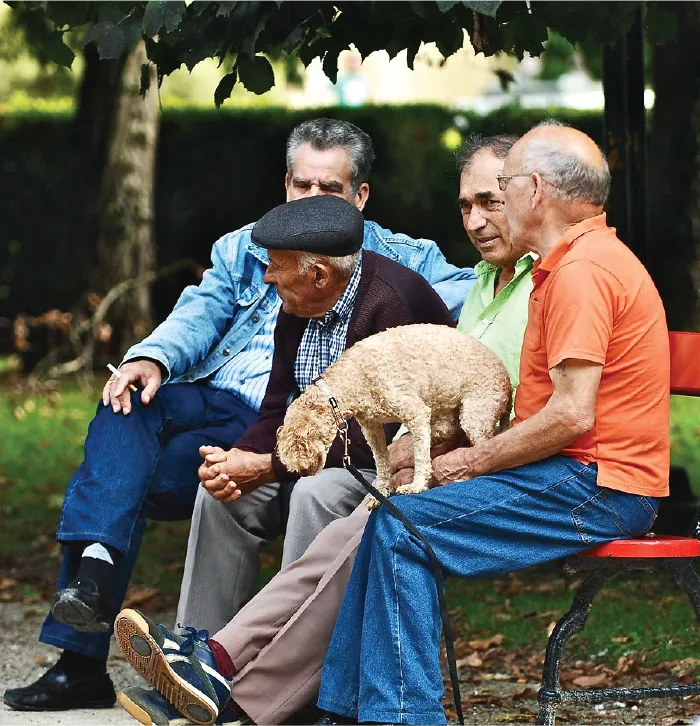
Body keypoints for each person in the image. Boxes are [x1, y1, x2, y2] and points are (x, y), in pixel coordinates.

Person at [3, 118, 475, 714]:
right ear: (284, 184)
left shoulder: (396, 269)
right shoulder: (253, 252)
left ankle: (263, 680)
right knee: (126, 409)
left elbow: (469, 302)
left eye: (328, 190)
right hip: (230, 407)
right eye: (301, 186)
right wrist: (151, 357)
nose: (310, 201)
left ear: (360, 198)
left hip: (324, 436)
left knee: (255, 492)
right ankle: (122, 635)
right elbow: (199, 316)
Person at [112, 133, 536, 726]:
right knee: (224, 499)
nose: (268, 283)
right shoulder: (300, 305)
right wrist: (241, 460)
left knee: (315, 493)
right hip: (365, 456)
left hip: (394, 460)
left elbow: (375, 433)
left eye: (279, 273)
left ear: (317, 273)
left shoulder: (388, 303)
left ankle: (278, 688)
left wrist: (276, 464)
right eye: (466, 204)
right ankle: (192, 664)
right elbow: (281, 407)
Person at [312, 121, 670, 724]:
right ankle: (351, 712)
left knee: (405, 528)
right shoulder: (572, 261)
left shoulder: (584, 273)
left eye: (504, 185)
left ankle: (399, 717)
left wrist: (467, 463)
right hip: (581, 476)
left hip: (601, 485)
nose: (492, 202)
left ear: (536, 190)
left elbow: (572, 413)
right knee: (395, 521)